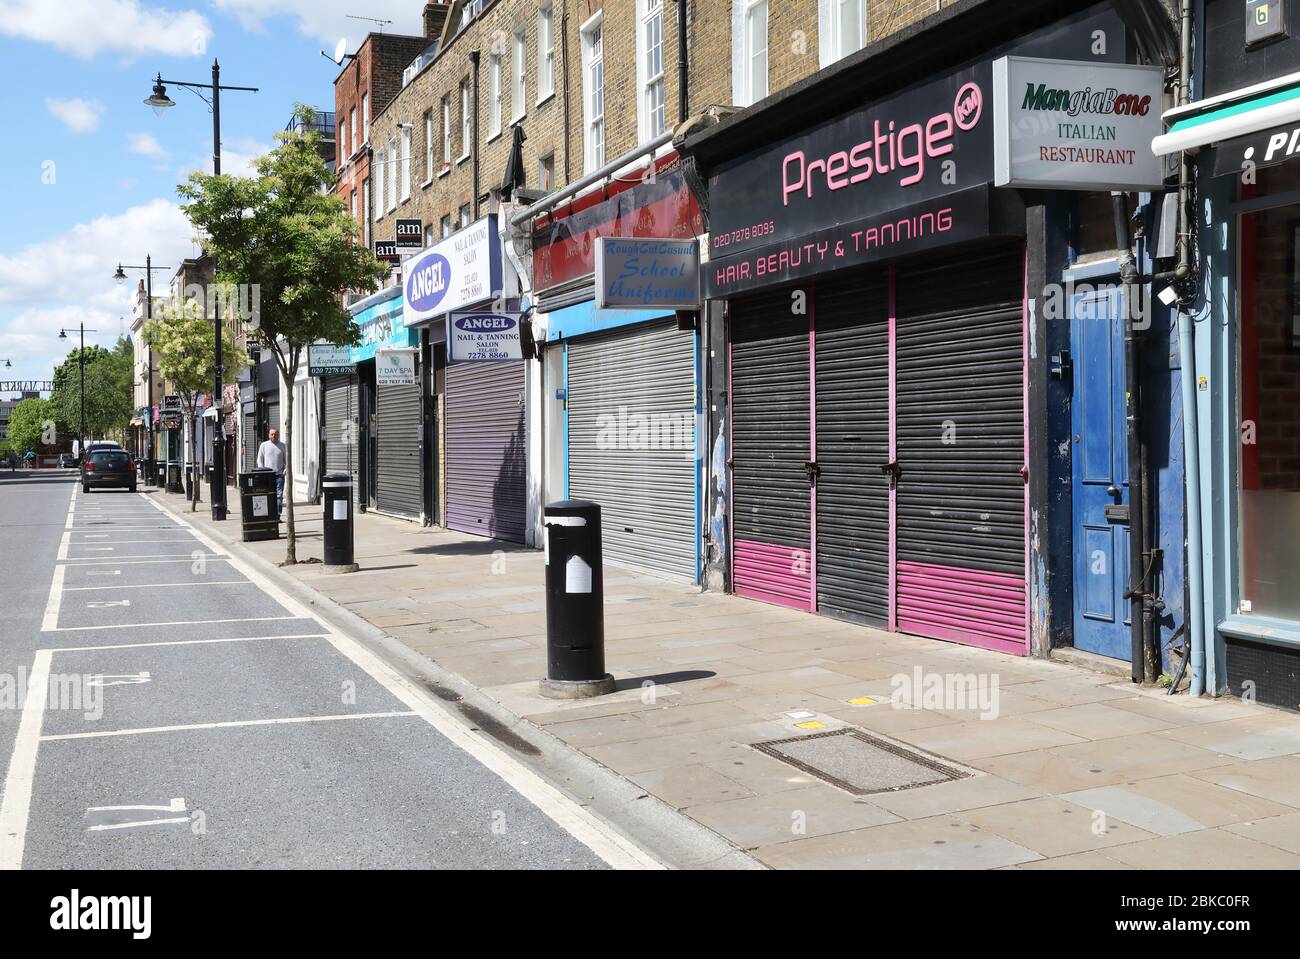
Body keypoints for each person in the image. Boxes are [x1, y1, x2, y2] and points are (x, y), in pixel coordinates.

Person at [256, 427, 288, 517]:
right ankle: (269, 515)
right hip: (267, 475)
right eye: (272, 434)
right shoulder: (264, 445)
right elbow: (260, 459)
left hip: (279, 475)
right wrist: (262, 471)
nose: (274, 436)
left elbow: (287, 460)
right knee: (267, 495)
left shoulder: (283, 446)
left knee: (279, 496)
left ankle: (277, 516)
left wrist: (285, 470)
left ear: (278, 435)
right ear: (269, 435)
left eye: (275, 434)